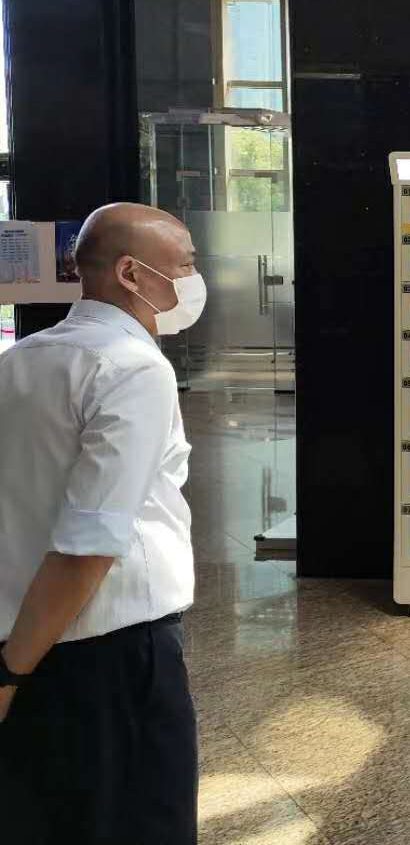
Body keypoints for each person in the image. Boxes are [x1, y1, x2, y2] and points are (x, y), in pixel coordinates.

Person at [0, 203, 204, 844]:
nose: (194, 281)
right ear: (131, 273)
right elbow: (90, 541)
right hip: (114, 653)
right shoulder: (134, 369)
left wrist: (14, 663)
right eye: (186, 265)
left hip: (27, 636)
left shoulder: (20, 359)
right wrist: (9, 676)